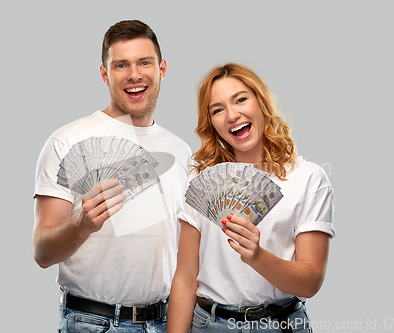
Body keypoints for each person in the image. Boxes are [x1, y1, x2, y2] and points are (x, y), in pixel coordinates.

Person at [33, 20, 192, 332]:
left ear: (161, 69)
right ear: (105, 75)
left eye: (144, 62)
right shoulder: (66, 141)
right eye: (121, 65)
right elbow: (41, 251)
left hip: (165, 321)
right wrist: (80, 225)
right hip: (94, 323)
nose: (134, 74)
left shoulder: (181, 150)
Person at [167, 63, 335, 333]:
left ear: (261, 102)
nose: (232, 115)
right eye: (217, 110)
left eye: (241, 99)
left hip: (281, 325)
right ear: (211, 123)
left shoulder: (308, 179)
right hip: (210, 325)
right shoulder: (200, 179)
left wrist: (257, 256)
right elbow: (185, 279)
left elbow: (310, 282)